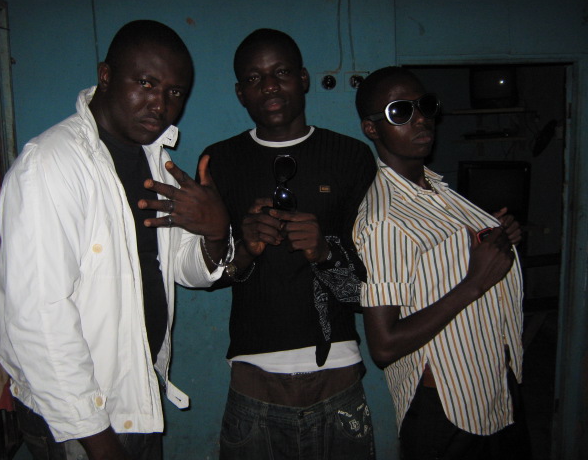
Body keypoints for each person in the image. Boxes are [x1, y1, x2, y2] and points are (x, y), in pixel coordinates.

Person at [0, 20, 230, 460]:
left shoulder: (155, 160)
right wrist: (99, 441)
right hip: (78, 421)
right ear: (105, 76)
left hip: (136, 395)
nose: (161, 104)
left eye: (175, 92)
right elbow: (39, 317)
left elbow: (180, 268)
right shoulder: (52, 165)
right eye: (146, 83)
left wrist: (215, 233)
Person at [201, 28, 377, 459]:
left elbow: (368, 288)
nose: (269, 86)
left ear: (302, 78)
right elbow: (210, 274)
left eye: (280, 72)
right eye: (254, 78)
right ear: (240, 93)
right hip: (254, 379)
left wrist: (325, 252)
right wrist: (245, 247)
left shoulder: (351, 157)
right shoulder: (220, 161)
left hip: (336, 373)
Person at [353, 66, 530, 459]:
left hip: (495, 390)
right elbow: (384, 345)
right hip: (449, 410)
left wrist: (497, 238)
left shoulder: (433, 189)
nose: (420, 119)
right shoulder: (385, 220)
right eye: (400, 111)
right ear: (371, 128)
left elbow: (445, 260)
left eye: (426, 105)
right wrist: (474, 283)